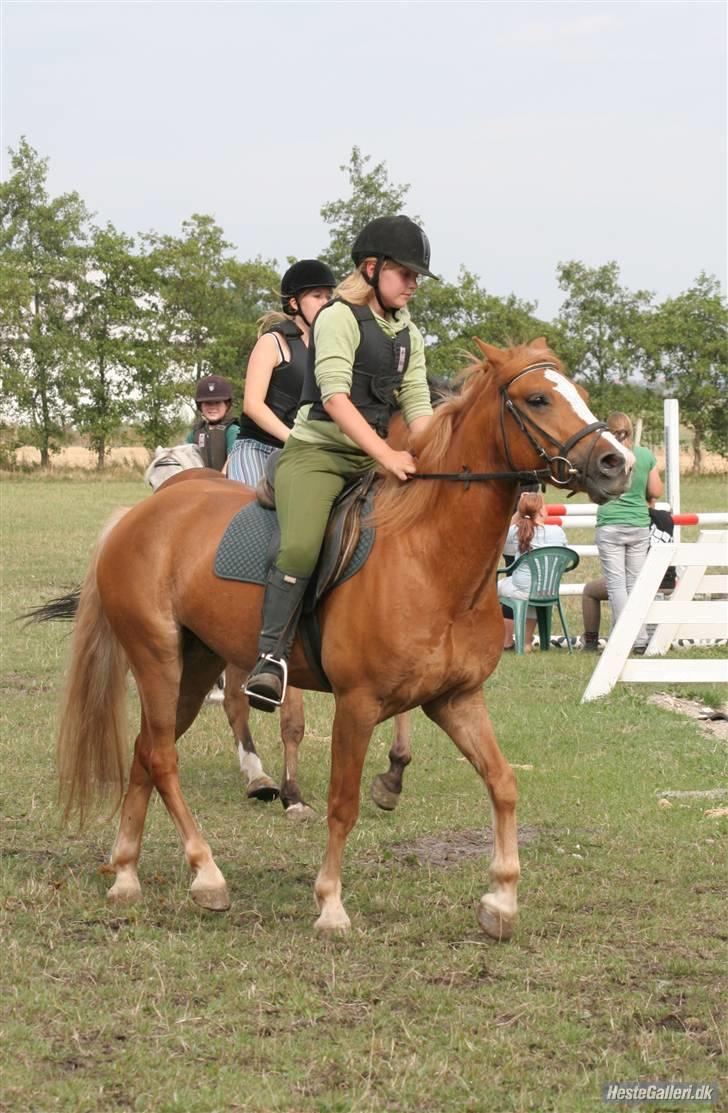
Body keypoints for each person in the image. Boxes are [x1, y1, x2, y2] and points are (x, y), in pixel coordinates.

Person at [243, 215, 437, 709]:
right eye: (406, 273)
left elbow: (416, 402)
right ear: (371, 269)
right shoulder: (337, 317)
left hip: (372, 459)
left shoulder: (408, 332)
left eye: (417, 276)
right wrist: (388, 454)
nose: (413, 284)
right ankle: (270, 658)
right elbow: (334, 398)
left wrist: (433, 451)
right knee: (303, 545)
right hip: (319, 454)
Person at [227, 260, 336, 485]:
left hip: (303, 454)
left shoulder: (329, 349)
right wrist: (296, 440)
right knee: (246, 504)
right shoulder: (272, 342)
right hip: (257, 448)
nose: (326, 303)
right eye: (317, 296)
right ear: (294, 303)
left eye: (328, 296)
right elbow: (253, 405)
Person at [595, 412, 662, 650]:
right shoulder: (644, 455)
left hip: (610, 523)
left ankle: (624, 638)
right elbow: (655, 490)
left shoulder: (604, 455)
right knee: (635, 584)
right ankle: (639, 637)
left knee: (616, 586)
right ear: (630, 431)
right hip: (638, 523)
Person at [581, 501, 675, 651]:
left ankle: (591, 641)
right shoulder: (666, 518)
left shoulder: (629, 520)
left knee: (590, 591)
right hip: (668, 582)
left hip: (642, 582)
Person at [497, 491, 568, 652]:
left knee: (493, 589)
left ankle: (500, 639)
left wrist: (519, 511)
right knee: (532, 589)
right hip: (547, 589)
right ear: (542, 511)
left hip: (522, 589)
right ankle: (526, 642)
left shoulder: (516, 531)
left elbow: (503, 540)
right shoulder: (557, 531)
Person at [186, 375, 239, 471]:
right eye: (207, 403)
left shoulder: (232, 430)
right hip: (200, 482)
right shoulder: (195, 433)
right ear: (200, 406)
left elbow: (233, 458)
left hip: (227, 482)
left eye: (217, 402)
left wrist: (222, 480)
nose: (212, 407)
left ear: (227, 405)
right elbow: (185, 458)